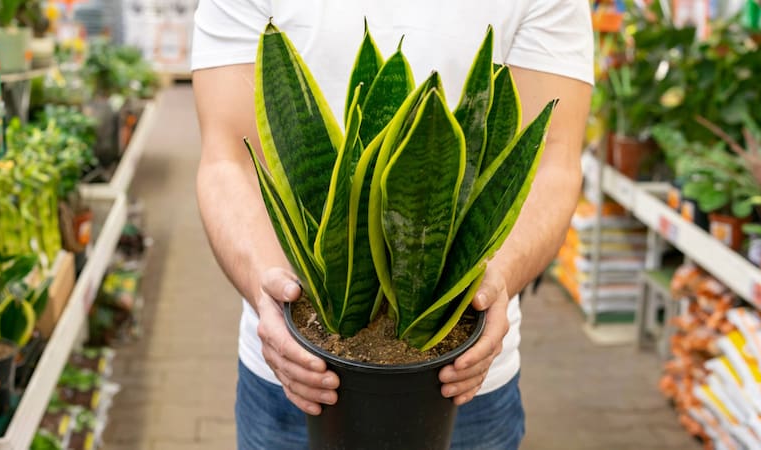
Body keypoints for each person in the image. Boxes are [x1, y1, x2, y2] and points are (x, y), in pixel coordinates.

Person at [191, 1, 593, 448]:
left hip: (466, 383)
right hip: (293, 373)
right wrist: (266, 289)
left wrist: (495, 280)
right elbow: (227, 158)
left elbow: (551, 160)